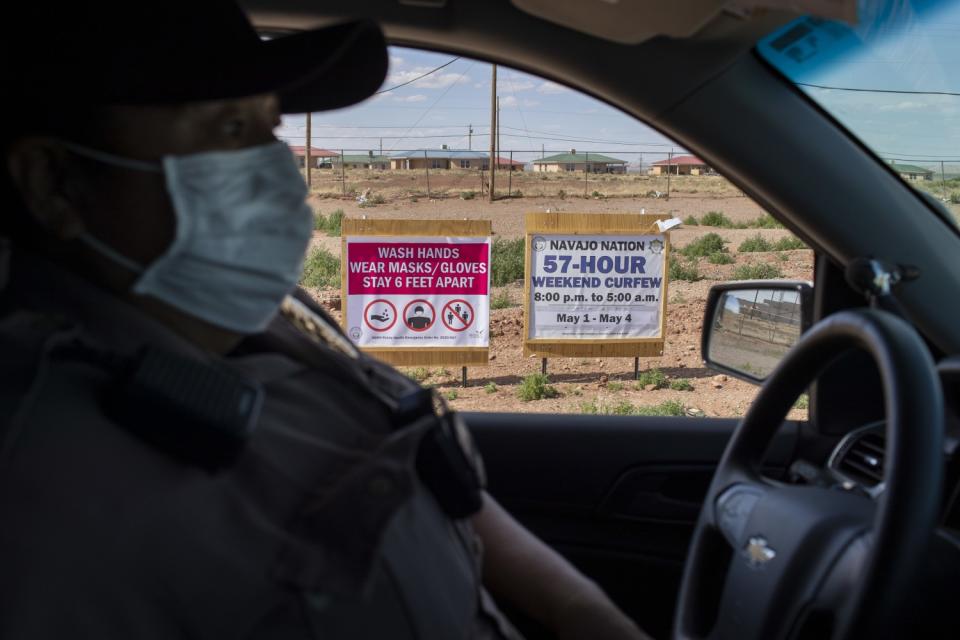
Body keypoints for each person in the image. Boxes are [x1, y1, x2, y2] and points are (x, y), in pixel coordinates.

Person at [0, 2, 650, 639]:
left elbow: (424, 468)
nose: (279, 169)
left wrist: (581, 609)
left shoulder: (272, 312)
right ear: (53, 183)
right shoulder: (40, 489)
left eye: (269, 126)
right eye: (228, 130)